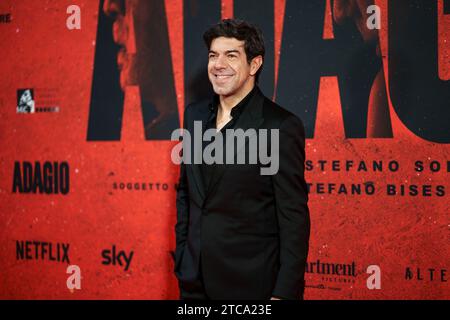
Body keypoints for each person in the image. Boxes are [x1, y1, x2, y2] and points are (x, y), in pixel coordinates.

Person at [174, 19, 310, 300]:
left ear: (255, 65)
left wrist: (284, 293)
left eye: (231, 55)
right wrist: (184, 256)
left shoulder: (279, 125)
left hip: (251, 285)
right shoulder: (194, 115)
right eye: (213, 55)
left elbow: (293, 217)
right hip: (194, 281)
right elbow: (187, 192)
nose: (218, 64)